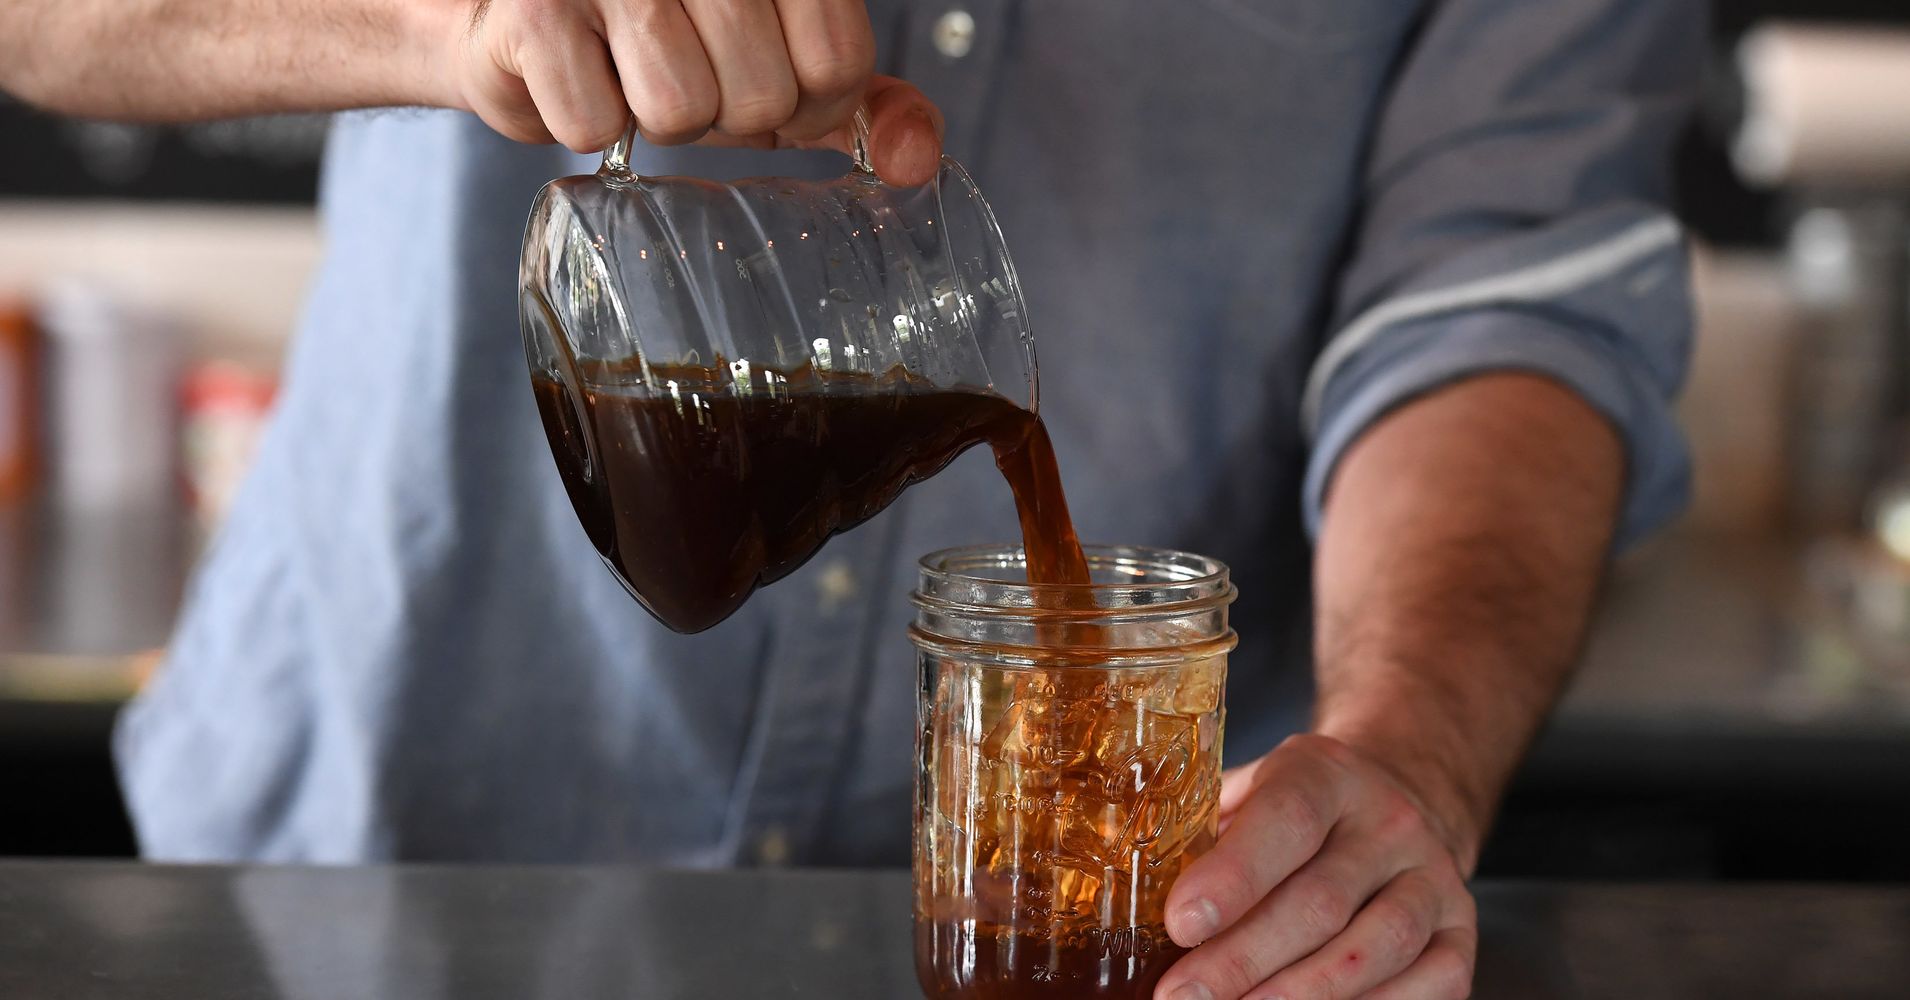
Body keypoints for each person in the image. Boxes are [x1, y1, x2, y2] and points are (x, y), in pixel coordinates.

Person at [2, 1, 1701, 997]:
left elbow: (1509, 302)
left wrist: (1400, 750)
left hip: (1163, 904)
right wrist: (443, 20)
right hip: (372, 887)